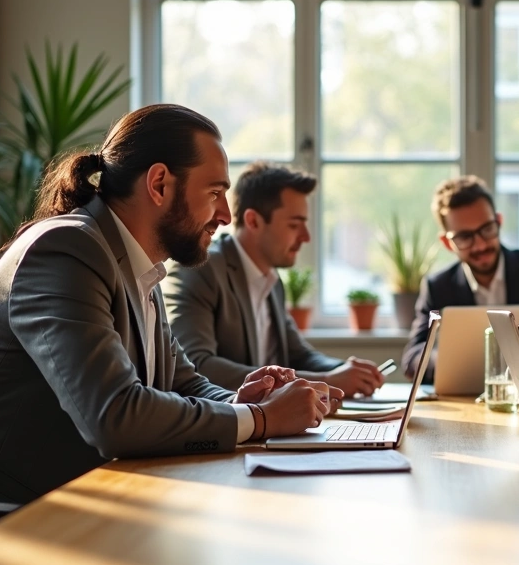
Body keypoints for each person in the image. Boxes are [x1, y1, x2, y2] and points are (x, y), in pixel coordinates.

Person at [0, 104, 339, 563]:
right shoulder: (65, 250)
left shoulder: (137, 268)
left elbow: (184, 381)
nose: (225, 214)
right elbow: (115, 416)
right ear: (160, 183)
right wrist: (261, 421)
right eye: (215, 192)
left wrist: (244, 402)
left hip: (66, 513)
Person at [163, 161, 385, 396]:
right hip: (228, 425)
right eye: (294, 225)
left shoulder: (272, 280)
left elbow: (299, 354)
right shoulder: (201, 269)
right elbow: (198, 366)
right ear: (253, 221)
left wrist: (346, 371)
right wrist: (326, 380)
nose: (306, 237)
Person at [402, 176, 519, 379]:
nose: (480, 245)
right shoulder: (438, 286)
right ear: (447, 243)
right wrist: (449, 359)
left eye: (487, 229)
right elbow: (412, 359)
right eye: (465, 237)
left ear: (498, 222)